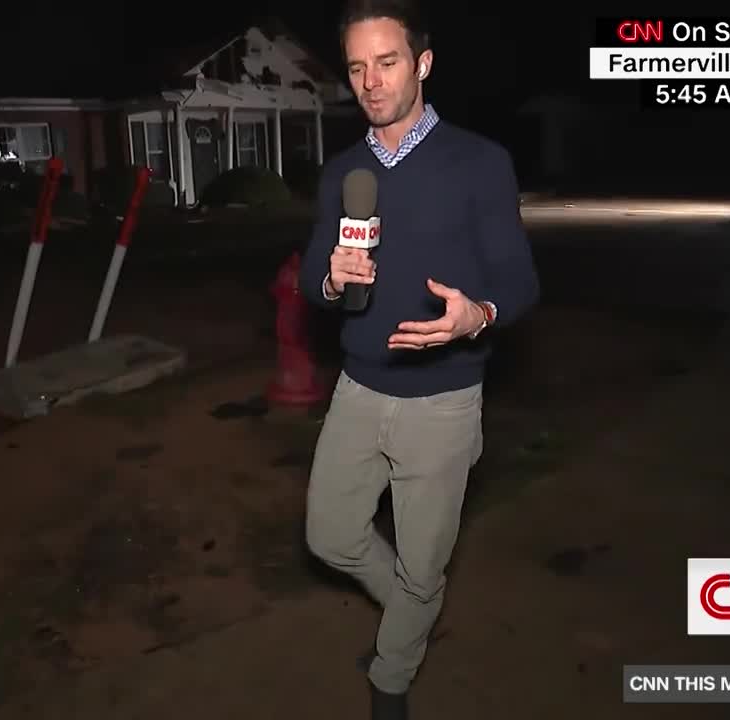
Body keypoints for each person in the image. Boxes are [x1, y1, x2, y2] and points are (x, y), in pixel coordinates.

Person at [300, 1, 540, 717]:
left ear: (423, 64)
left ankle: (392, 675)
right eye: (356, 67)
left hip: (442, 399)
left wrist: (479, 314)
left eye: (388, 61)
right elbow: (315, 265)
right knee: (330, 536)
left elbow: (519, 280)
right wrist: (331, 277)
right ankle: (415, 613)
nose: (371, 82)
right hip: (357, 389)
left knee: (422, 561)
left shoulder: (478, 162)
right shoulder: (343, 171)